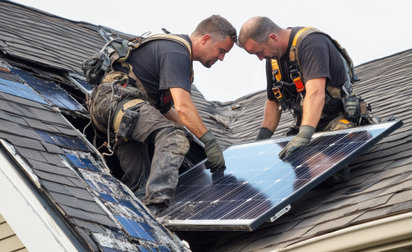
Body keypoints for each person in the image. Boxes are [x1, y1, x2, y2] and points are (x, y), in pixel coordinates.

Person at [88, 15, 236, 214]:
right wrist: (209, 141)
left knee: (140, 187)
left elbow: (166, 110)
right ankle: (158, 207)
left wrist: (191, 138)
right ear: (206, 39)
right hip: (117, 101)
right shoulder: (177, 52)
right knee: (173, 138)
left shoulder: (174, 53)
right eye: (221, 51)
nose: (221, 58)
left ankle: (143, 218)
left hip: (120, 114)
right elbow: (183, 108)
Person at [238, 16, 370, 160]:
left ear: (273, 38)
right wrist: (259, 143)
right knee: (287, 162)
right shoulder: (273, 59)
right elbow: (273, 102)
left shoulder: (311, 43)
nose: (260, 58)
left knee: (325, 169)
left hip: (336, 123)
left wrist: (303, 136)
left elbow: (316, 93)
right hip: (308, 126)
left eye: (259, 52)